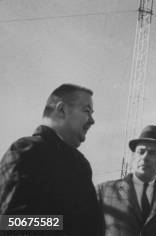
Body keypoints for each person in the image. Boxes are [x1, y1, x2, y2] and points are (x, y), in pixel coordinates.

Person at [0, 83, 102, 236]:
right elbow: (9, 223)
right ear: (61, 109)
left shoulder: (80, 163)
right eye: (86, 111)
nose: (92, 120)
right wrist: (63, 223)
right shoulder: (27, 150)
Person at [98, 125, 156, 236]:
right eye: (141, 151)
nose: (145, 157)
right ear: (132, 157)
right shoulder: (104, 191)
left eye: (152, 153)